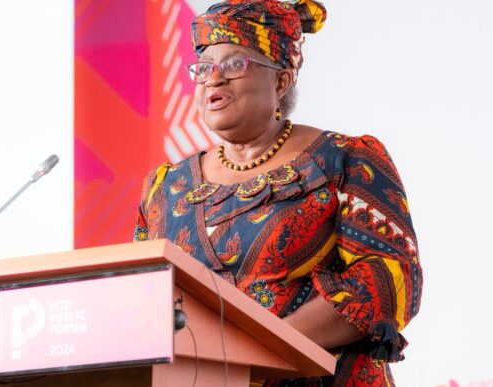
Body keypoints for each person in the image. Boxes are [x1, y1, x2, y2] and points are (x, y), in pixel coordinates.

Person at [133, 0, 423, 385]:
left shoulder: (344, 160)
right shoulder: (165, 187)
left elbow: (386, 282)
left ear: (282, 81)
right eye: (203, 68)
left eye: (235, 64)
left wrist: (248, 351)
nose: (213, 79)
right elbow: (140, 299)